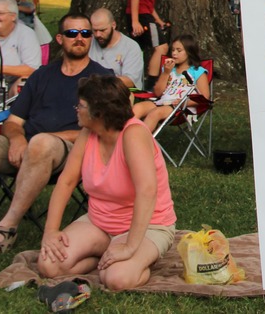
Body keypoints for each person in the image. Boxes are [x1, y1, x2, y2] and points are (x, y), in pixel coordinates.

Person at [39, 75, 176, 291]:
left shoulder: (133, 135)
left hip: (149, 225)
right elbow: (66, 181)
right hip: (99, 222)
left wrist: (130, 247)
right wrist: (51, 231)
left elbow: (147, 191)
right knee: (49, 265)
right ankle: (105, 256)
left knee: (116, 279)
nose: (76, 108)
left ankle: (132, 259)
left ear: (99, 113)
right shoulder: (89, 133)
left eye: (81, 105)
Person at [0, 13, 112, 255]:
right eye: (72, 33)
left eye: (85, 33)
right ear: (59, 38)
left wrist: (41, 140)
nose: (79, 38)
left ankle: (7, 227)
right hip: (24, 146)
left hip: (71, 151)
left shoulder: (102, 78)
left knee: (43, 143)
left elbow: (103, 128)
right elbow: (14, 121)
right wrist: (17, 139)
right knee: (32, 142)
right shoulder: (41, 75)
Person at [132, 35, 210, 132]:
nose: (174, 53)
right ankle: (124, 138)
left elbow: (205, 98)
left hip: (180, 108)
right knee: (137, 108)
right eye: (172, 50)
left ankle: (140, 142)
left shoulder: (197, 71)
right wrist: (166, 73)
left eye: (179, 50)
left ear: (189, 52)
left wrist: (184, 103)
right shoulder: (168, 69)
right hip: (162, 101)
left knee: (155, 113)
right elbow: (158, 93)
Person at [0, 0, 41, 100]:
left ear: (13, 16)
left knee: (24, 82)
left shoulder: (26, 34)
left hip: (12, 85)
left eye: (0, 13)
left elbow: (32, 69)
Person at [89, 8, 144, 90]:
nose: (98, 34)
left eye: (102, 30)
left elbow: (130, 81)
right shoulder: (88, 42)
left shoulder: (131, 47)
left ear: (113, 25)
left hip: (116, 95)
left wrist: (97, 82)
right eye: (94, 30)